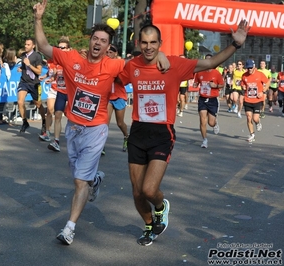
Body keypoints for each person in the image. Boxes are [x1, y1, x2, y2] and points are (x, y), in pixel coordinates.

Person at [33, 0, 169, 245]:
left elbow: (140, 63)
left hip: (96, 130)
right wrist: (38, 18)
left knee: (78, 181)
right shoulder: (72, 59)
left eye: (103, 41)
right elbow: (43, 45)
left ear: (108, 47)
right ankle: (95, 180)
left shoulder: (115, 65)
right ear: (90, 40)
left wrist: (161, 56)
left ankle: (70, 227)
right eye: (95, 38)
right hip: (73, 129)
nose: (98, 43)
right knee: (81, 176)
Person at [118, 21, 250, 246]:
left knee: (149, 189)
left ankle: (161, 206)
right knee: (137, 192)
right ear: (138, 43)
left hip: (162, 132)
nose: (149, 47)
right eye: (145, 43)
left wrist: (235, 45)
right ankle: (150, 225)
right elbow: (112, 80)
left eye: (153, 43)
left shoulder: (176, 65)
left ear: (160, 43)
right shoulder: (132, 66)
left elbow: (211, 61)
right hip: (139, 131)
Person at [193, 53, 224, 148]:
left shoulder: (216, 73)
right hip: (202, 98)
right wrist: (195, 85)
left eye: (210, 60)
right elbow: (196, 82)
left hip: (212, 99)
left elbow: (222, 85)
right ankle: (204, 140)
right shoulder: (200, 72)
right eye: (206, 60)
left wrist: (216, 86)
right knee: (202, 120)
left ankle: (215, 124)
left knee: (211, 123)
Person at [17, 37, 45, 133]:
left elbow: (39, 71)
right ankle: (25, 122)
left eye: (28, 44)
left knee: (38, 104)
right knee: (20, 102)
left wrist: (29, 65)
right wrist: (22, 68)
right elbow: (24, 65)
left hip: (34, 83)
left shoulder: (37, 56)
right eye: (25, 44)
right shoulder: (23, 55)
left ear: (33, 46)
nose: (26, 46)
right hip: (24, 82)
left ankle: (44, 121)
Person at [46, 38, 71, 151]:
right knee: (57, 116)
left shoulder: (73, 61)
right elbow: (56, 75)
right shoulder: (57, 61)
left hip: (71, 93)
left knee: (72, 118)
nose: (60, 49)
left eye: (63, 48)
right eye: (59, 48)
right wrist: (51, 78)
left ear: (68, 49)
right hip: (60, 91)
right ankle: (56, 141)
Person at [106, 44, 129, 152]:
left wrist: (113, 75)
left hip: (119, 96)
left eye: (111, 52)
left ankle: (126, 136)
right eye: (107, 52)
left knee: (120, 123)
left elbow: (121, 80)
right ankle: (101, 145)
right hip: (108, 97)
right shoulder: (104, 64)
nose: (108, 54)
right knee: (105, 122)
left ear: (116, 54)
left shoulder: (120, 65)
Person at [242, 59, 270, 142]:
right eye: (248, 68)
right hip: (247, 99)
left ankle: (258, 123)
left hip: (257, 100)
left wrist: (263, 91)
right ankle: (252, 134)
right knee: (248, 117)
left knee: (255, 118)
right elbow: (243, 84)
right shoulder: (244, 75)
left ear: (254, 67)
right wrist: (243, 87)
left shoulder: (260, 74)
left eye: (251, 68)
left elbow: (268, 82)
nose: (249, 69)